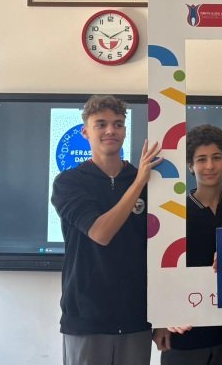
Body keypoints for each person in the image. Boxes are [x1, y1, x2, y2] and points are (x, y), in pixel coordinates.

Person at [51, 95, 162, 365]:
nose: (111, 130)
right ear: (85, 132)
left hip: (137, 318)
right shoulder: (69, 182)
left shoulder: (145, 179)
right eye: (101, 124)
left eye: (118, 124)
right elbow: (101, 233)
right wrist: (138, 184)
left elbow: (159, 253)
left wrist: (164, 316)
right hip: (87, 319)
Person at [158, 125, 222, 365]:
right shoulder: (174, 213)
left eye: (216, 158)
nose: (210, 166)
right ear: (190, 165)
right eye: (201, 159)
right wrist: (160, 320)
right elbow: (160, 270)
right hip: (184, 332)